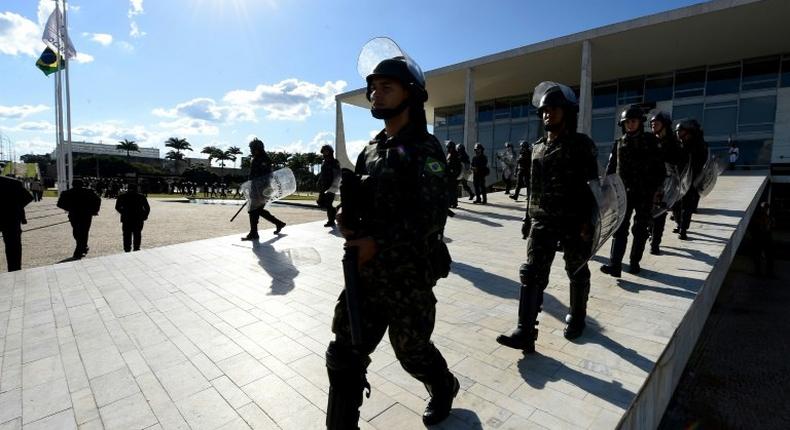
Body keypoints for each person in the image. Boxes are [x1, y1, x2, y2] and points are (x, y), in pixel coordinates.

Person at [326, 53, 458, 428]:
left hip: (407, 275)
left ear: (411, 94)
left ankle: (444, 385)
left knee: (412, 352)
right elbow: (365, 202)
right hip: (365, 274)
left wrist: (378, 243)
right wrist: (346, 217)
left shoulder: (426, 150)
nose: (375, 95)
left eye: (386, 87)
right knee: (343, 354)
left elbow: (430, 219)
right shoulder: (371, 149)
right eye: (372, 89)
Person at [496, 81, 599, 350]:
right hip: (542, 220)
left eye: (553, 110)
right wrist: (528, 218)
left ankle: (577, 317)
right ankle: (525, 330)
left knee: (576, 271)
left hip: (574, 221)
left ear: (566, 112)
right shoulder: (538, 147)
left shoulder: (581, 145)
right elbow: (534, 188)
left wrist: (590, 221)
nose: (546, 115)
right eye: (543, 111)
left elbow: (593, 187)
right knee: (531, 273)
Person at [600, 107, 665, 277]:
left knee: (640, 229)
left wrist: (658, 189)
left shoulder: (650, 141)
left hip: (645, 193)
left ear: (639, 122)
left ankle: (635, 262)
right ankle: (615, 265)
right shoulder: (619, 143)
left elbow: (660, 167)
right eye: (627, 122)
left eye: (633, 121)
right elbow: (612, 167)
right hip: (624, 193)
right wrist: (606, 188)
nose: (630, 125)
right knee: (619, 228)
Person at [648, 111, 681, 255]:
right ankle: (651, 234)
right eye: (652, 123)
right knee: (648, 212)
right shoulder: (648, 141)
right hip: (649, 182)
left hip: (665, 183)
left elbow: (678, 163)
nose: (653, 125)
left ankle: (655, 243)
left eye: (657, 123)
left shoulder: (673, 143)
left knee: (660, 213)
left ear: (665, 125)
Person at [241, 138, 286, 240]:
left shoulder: (264, 159)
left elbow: (265, 177)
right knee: (257, 210)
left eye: (252, 148)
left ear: (257, 149)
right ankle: (278, 223)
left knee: (253, 211)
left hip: (262, 190)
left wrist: (257, 189)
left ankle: (254, 233)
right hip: (256, 189)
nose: (251, 150)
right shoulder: (256, 159)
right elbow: (252, 176)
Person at [673, 119, 708, 240]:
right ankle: (679, 224)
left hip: (692, 180)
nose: (678, 134)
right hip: (678, 179)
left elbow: (702, 163)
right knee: (676, 205)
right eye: (677, 132)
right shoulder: (678, 145)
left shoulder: (698, 146)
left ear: (688, 132)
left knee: (686, 206)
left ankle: (683, 229)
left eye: (681, 132)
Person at [57, 179, 101, 259]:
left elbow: (59, 204)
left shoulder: (67, 193)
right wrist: (94, 210)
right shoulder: (88, 192)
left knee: (77, 231)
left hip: (75, 214)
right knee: (83, 232)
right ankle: (82, 247)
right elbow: (98, 200)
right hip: (86, 214)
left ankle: (79, 250)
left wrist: (68, 208)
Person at [1, 175, 33, 271]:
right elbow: (28, 197)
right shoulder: (14, 183)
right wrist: (16, 207)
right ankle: (14, 269)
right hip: (11, 218)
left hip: (11, 218)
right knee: (13, 246)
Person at [115, 183, 150, 252]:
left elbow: (117, 207)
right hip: (138, 218)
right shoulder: (141, 197)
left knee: (126, 235)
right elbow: (147, 208)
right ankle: (136, 248)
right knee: (137, 234)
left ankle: (127, 248)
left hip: (126, 218)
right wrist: (144, 216)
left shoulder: (122, 196)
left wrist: (123, 212)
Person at [316, 144, 341, 227]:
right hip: (323, 186)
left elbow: (337, 175)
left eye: (326, 151)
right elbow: (322, 174)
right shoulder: (324, 162)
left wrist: (334, 186)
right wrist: (319, 182)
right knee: (320, 202)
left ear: (330, 152)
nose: (325, 153)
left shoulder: (334, 162)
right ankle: (336, 210)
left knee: (328, 203)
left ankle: (331, 221)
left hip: (331, 186)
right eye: (324, 151)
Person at [445, 141, 462, 209]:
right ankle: (451, 203)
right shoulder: (450, 154)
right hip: (450, 175)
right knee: (451, 189)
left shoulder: (455, 154)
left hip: (453, 175)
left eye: (448, 147)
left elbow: (457, 166)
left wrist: (454, 172)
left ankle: (453, 203)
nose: (447, 148)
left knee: (452, 190)